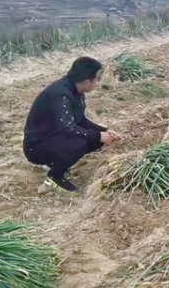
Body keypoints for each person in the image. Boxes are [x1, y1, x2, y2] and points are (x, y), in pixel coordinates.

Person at [23, 56, 121, 193]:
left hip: (52, 137)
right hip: (36, 147)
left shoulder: (75, 90)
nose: (98, 83)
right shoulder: (60, 94)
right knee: (81, 142)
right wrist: (98, 135)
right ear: (87, 82)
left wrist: (105, 130)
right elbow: (67, 128)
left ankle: (55, 162)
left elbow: (81, 121)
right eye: (97, 79)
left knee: (96, 139)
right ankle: (54, 177)